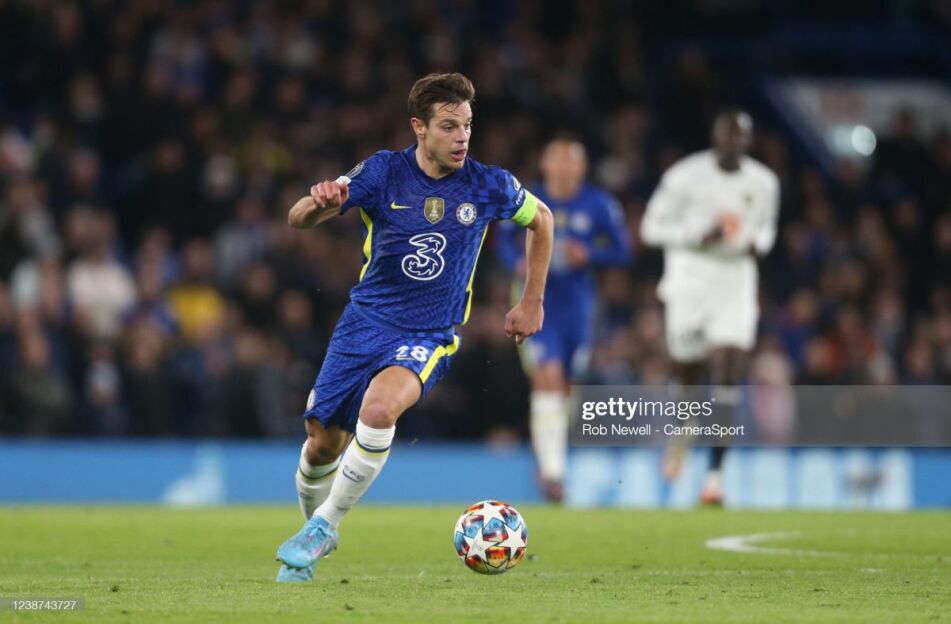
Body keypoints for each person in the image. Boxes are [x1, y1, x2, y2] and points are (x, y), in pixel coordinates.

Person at [274, 73, 554, 582]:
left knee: (379, 410)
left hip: (429, 333)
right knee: (321, 444)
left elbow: (543, 221)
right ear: (419, 128)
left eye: (467, 125)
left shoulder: (488, 184)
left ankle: (324, 525)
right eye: (449, 126)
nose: (462, 137)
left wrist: (532, 300)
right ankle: (315, 533)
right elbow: (297, 218)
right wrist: (318, 202)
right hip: (363, 324)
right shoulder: (384, 172)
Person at [640, 109, 779, 505]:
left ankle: (715, 477)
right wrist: (697, 235)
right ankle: (684, 423)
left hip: (735, 283)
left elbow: (766, 227)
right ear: (715, 136)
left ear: (748, 140)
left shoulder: (764, 182)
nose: (733, 142)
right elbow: (650, 228)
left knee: (728, 370)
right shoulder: (684, 177)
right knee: (687, 369)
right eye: (727, 134)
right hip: (689, 281)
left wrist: (758, 244)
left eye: (740, 135)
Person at [497, 138, 631, 501]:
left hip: (579, 305)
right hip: (537, 300)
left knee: (567, 385)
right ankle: (553, 472)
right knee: (548, 376)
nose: (565, 168)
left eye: (572, 161)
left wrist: (589, 254)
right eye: (558, 160)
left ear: (582, 168)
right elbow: (503, 241)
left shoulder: (599, 204)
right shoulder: (526, 199)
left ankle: (549, 453)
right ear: (545, 164)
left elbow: (622, 249)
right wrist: (517, 262)